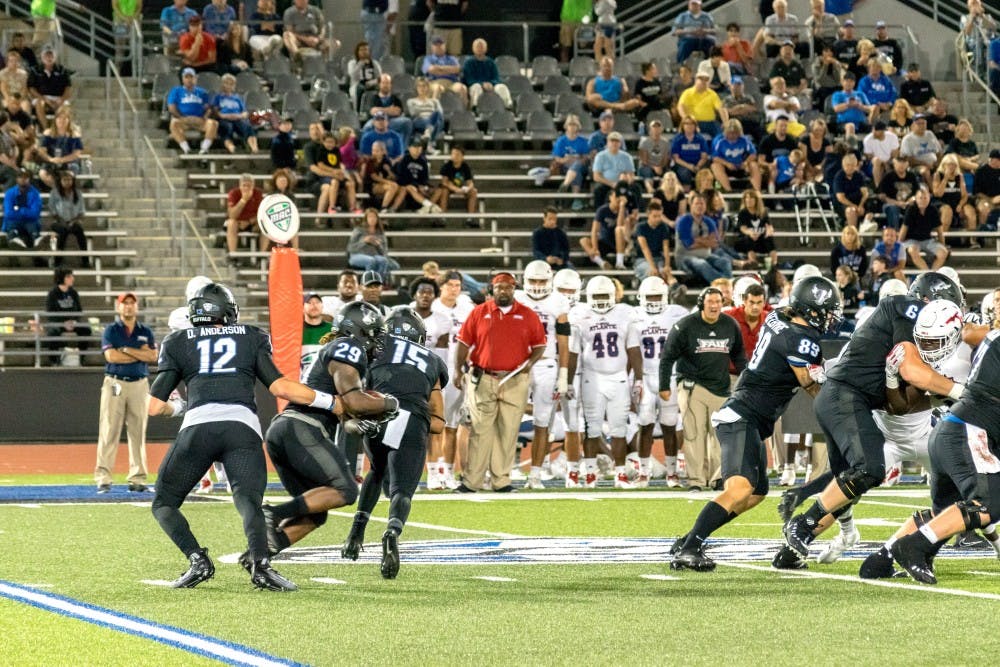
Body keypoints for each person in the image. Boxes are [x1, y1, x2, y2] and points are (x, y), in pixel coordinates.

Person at [148, 285, 358, 591]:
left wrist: (183, 406)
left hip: (198, 428)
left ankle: (197, 560)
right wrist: (331, 402)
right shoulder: (250, 336)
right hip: (241, 428)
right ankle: (261, 566)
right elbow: (281, 388)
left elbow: (154, 407)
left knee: (164, 503)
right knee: (249, 502)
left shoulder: (177, 341)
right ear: (227, 311)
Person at [781, 273, 966, 562]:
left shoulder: (919, 333)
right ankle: (803, 526)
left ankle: (791, 551)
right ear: (930, 303)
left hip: (855, 402)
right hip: (846, 397)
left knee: (848, 484)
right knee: (869, 469)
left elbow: (901, 405)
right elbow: (913, 372)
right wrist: (963, 392)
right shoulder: (907, 309)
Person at [671, 277, 838, 570]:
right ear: (811, 310)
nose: (830, 317)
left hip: (748, 415)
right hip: (742, 416)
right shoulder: (801, 339)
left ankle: (689, 539)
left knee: (757, 492)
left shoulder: (778, 318)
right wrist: (836, 398)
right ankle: (691, 546)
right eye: (826, 311)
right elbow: (809, 385)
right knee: (739, 489)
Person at [871, 314, 1000, 583]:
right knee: (988, 503)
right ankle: (913, 546)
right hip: (968, 431)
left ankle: (882, 558)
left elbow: (973, 334)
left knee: (947, 510)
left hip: (949, 429)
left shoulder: (992, 338)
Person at [339, 307, 448, 577]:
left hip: (379, 410)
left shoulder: (375, 347)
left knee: (377, 471)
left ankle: (356, 532)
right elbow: (438, 422)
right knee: (402, 490)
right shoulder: (432, 360)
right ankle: (392, 531)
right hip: (413, 417)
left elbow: (356, 389)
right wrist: (419, 426)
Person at [453, 272, 546, 493]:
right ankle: (471, 481)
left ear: (514, 289)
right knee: (480, 430)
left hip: (515, 379)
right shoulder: (479, 313)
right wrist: (457, 369)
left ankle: (501, 480)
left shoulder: (527, 314)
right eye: (499, 287)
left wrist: (528, 366)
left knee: (509, 430)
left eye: (508, 287)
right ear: (491, 290)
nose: (504, 291)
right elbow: (464, 343)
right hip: (484, 376)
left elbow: (540, 345)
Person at [659, 286, 746, 493]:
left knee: (719, 436)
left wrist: (745, 382)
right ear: (701, 304)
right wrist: (664, 385)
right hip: (692, 386)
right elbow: (667, 357)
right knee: (694, 434)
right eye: (710, 302)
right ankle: (696, 480)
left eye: (718, 302)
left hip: (721, 387)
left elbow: (739, 356)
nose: (715, 306)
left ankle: (717, 478)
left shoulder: (730, 324)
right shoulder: (686, 326)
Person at [567, 275, 641, 487]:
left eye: (603, 295)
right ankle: (590, 474)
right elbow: (573, 352)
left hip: (618, 378)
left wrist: (639, 379)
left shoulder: (625, 313)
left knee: (619, 429)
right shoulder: (580, 314)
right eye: (596, 296)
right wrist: (569, 381)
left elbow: (633, 349)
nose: (600, 300)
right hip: (592, 377)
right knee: (592, 428)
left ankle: (620, 474)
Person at [512, 261, 570, 489]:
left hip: (546, 364)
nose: (537, 286)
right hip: (518, 364)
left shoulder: (559, 301)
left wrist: (563, 373)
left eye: (541, 281)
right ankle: (500, 470)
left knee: (542, 421)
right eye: (533, 281)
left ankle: (535, 474)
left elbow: (564, 342)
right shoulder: (516, 298)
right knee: (507, 419)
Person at [95, 292, 156, 494]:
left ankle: (137, 478)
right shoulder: (111, 330)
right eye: (125, 303)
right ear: (118, 306)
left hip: (139, 383)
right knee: (109, 428)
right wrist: (139, 353)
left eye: (131, 303)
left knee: (138, 430)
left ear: (136, 306)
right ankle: (103, 477)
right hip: (116, 382)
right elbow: (111, 357)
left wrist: (127, 351)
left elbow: (153, 356)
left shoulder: (145, 331)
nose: (128, 307)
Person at [675, 192, 732, 283]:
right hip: (685, 257)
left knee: (724, 262)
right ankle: (722, 285)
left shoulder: (709, 222)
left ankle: (728, 286)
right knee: (702, 264)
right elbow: (689, 245)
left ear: (705, 206)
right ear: (691, 205)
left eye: (702, 204)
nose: (699, 206)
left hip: (706, 255)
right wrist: (706, 241)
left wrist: (697, 239)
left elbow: (715, 243)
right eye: (697, 203)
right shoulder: (684, 221)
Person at [44, 267, 91, 367]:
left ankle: (82, 358)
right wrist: (63, 323)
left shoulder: (73, 293)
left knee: (86, 330)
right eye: (69, 276)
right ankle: (54, 360)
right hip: (58, 322)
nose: (72, 279)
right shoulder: (53, 294)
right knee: (53, 332)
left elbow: (79, 310)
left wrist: (74, 321)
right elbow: (50, 313)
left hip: (73, 322)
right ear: (62, 278)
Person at [581, 182, 632, 270]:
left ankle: (619, 262)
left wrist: (622, 207)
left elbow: (620, 225)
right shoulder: (602, 210)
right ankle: (601, 262)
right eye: (616, 197)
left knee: (619, 229)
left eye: (620, 198)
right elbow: (594, 231)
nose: (618, 200)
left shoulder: (624, 210)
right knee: (583, 240)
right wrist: (595, 248)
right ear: (610, 197)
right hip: (605, 241)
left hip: (619, 242)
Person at [167, 67, 218, 155]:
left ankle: (204, 149)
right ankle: (186, 149)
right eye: (186, 77)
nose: (189, 80)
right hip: (183, 119)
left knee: (213, 124)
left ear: (195, 79)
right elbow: (171, 107)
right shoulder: (176, 91)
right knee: (173, 123)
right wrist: (181, 117)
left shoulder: (202, 92)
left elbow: (208, 108)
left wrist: (205, 117)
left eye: (191, 77)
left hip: (199, 120)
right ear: (183, 79)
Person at [900, 188, 948, 271]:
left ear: (929, 198)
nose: (923, 200)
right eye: (920, 198)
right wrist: (898, 245)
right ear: (916, 198)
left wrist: (943, 245)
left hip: (927, 240)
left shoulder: (933, 210)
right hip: (911, 240)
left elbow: (939, 230)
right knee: (913, 251)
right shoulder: (911, 209)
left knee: (943, 253)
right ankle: (927, 272)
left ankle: (933, 273)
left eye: (925, 198)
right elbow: (904, 229)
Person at [390, 136, 441, 215]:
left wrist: (424, 187)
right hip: (407, 190)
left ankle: (425, 209)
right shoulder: (403, 160)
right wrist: (417, 186)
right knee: (410, 187)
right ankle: (430, 205)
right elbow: (402, 180)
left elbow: (424, 179)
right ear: (409, 148)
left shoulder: (423, 161)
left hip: (419, 188)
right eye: (414, 147)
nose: (417, 149)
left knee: (439, 190)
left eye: (419, 147)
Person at [347, 208, 399, 283]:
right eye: (370, 217)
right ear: (366, 219)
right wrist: (364, 241)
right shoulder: (358, 230)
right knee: (371, 261)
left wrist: (378, 245)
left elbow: (384, 253)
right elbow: (350, 248)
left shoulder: (380, 233)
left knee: (383, 260)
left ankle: (378, 283)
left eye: (374, 217)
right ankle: (368, 283)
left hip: (374, 255)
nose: (372, 219)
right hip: (356, 255)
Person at [48, 170, 88, 267]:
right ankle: (58, 260)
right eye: (65, 180)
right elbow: (52, 209)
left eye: (69, 180)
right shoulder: (54, 193)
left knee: (80, 233)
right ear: (60, 181)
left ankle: (85, 260)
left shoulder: (78, 193)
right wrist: (62, 221)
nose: (67, 182)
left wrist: (73, 221)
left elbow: (81, 211)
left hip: (73, 221)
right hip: (58, 221)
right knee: (62, 231)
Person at [27, 46, 72, 131]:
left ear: (55, 57)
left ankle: (60, 130)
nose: (49, 58)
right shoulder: (35, 70)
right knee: (40, 104)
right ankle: (46, 129)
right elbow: (31, 88)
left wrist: (61, 99)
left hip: (58, 97)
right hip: (41, 97)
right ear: (42, 57)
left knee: (64, 107)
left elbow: (68, 88)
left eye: (51, 56)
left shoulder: (62, 70)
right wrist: (44, 99)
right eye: (46, 56)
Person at [360, 73, 413, 145]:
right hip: (376, 121)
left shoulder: (396, 98)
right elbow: (373, 112)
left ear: (391, 85)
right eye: (383, 83)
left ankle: (403, 151)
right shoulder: (372, 98)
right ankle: (366, 153)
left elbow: (397, 112)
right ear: (379, 84)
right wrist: (389, 110)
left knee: (407, 122)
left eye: (388, 83)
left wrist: (379, 109)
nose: (385, 85)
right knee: (367, 127)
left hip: (392, 122)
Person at [212, 73, 259, 154]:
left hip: (237, 118)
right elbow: (216, 112)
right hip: (224, 119)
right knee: (227, 127)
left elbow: (244, 112)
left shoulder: (237, 98)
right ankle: (231, 147)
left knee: (247, 126)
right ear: (222, 84)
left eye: (231, 84)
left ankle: (254, 148)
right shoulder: (218, 97)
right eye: (226, 83)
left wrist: (239, 116)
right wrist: (224, 116)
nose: (228, 86)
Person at [710, 118, 761, 192]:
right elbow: (715, 158)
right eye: (730, 133)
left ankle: (757, 191)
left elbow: (753, 154)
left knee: (754, 165)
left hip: (741, 166)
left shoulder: (744, 140)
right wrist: (727, 164)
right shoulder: (719, 140)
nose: (732, 135)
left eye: (735, 133)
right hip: (726, 167)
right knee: (715, 166)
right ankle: (728, 190)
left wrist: (746, 162)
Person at [224, 173, 265, 265]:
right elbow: (232, 215)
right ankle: (233, 256)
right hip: (237, 222)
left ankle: (262, 257)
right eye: (244, 185)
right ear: (240, 186)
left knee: (265, 224)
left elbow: (262, 213)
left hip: (252, 222)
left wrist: (249, 221)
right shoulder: (234, 193)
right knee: (231, 223)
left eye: (249, 186)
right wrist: (243, 200)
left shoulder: (258, 194)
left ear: (253, 186)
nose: (246, 188)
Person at [431, 145, 477, 222]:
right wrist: (456, 189)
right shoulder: (447, 166)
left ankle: (470, 218)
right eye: (453, 154)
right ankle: (442, 217)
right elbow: (445, 182)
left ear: (462, 157)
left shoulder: (465, 167)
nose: (454, 156)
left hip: (460, 187)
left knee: (473, 191)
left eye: (457, 154)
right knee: (444, 191)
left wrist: (468, 188)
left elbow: (470, 182)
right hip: (448, 188)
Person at [463, 38, 511, 110]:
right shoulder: (468, 63)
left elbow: (496, 77)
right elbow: (469, 79)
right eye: (477, 47)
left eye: (482, 47)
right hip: (476, 85)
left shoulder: (491, 62)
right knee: (476, 87)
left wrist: (491, 83)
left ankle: (507, 107)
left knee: (502, 87)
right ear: (473, 48)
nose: (480, 49)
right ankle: (475, 108)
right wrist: (482, 84)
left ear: (486, 48)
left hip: (490, 85)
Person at [634, 200, 676, 283]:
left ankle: (674, 288)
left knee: (666, 273)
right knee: (653, 273)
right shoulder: (641, 227)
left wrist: (667, 265)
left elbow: (665, 247)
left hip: (658, 258)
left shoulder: (663, 227)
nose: (658, 219)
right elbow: (645, 248)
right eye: (655, 216)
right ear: (648, 214)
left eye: (659, 216)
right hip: (642, 259)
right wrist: (653, 267)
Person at [591, 131, 635, 209]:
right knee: (598, 189)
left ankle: (635, 213)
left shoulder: (627, 157)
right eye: (612, 141)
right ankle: (599, 213)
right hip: (606, 183)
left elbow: (631, 175)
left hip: (622, 184)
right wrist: (612, 184)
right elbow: (596, 176)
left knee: (636, 188)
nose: (614, 143)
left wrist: (627, 180)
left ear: (620, 143)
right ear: (607, 143)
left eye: (617, 141)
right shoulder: (600, 156)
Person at [2, 169, 44, 249]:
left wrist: (19, 210)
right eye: (20, 177)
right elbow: (8, 213)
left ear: (29, 179)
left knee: (32, 224)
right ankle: (14, 240)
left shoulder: (35, 193)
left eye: (25, 177)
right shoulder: (10, 193)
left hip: (30, 223)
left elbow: (35, 214)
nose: (23, 179)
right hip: (14, 222)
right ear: (17, 179)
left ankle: (37, 241)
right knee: (11, 223)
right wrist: (26, 211)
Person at [677, 71, 728, 137]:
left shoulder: (712, 94)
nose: (704, 82)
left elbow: (721, 108)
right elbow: (680, 107)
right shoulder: (687, 93)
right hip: (694, 122)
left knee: (721, 135)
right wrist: (686, 119)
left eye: (706, 80)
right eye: (701, 79)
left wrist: (726, 122)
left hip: (710, 123)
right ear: (695, 80)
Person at [734, 190, 776, 269]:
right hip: (746, 242)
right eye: (747, 198)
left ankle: (774, 264)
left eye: (751, 198)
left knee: (769, 238)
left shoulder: (763, 212)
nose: (748, 200)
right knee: (748, 238)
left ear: (757, 200)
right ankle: (753, 263)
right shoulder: (743, 213)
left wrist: (769, 232)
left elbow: (769, 226)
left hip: (761, 242)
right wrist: (750, 233)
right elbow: (743, 228)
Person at [422, 35, 467, 106]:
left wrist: (439, 69)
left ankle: (463, 113)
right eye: (436, 45)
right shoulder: (428, 59)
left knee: (462, 88)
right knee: (437, 88)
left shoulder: (452, 58)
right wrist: (448, 70)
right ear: (432, 47)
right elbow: (431, 70)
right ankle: (433, 112)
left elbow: (457, 69)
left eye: (441, 45)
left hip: (451, 82)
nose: (438, 47)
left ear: (445, 46)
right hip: (435, 82)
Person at [877, 155, 920, 229]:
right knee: (892, 209)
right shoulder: (888, 177)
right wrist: (897, 203)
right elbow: (882, 196)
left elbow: (918, 193)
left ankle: (913, 234)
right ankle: (894, 233)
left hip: (908, 204)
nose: (902, 165)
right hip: (891, 204)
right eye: (899, 162)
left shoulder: (912, 176)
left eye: (904, 162)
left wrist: (912, 199)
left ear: (907, 164)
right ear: (894, 164)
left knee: (915, 208)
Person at [899, 113, 942, 183]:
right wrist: (925, 164)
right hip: (916, 167)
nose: (922, 126)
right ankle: (935, 192)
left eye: (923, 123)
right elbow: (908, 160)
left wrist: (938, 163)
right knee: (925, 171)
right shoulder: (908, 139)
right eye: (918, 124)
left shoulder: (930, 134)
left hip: (933, 164)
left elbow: (939, 152)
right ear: (912, 126)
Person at [669, 117, 710, 189]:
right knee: (684, 172)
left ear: (695, 126)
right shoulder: (677, 139)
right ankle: (686, 190)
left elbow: (704, 156)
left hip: (699, 163)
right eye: (687, 123)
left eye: (692, 123)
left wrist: (698, 166)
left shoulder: (700, 139)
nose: (689, 126)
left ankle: (703, 190)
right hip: (683, 164)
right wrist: (689, 166)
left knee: (704, 172)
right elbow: (676, 158)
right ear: (683, 126)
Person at [832, 153, 869, 227]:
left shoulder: (859, 175)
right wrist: (854, 206)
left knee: (870, 209)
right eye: (848, 165)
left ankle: (866, 226)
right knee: (851, 211)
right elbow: (841, 198)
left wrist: (861, 205)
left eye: (852, 165)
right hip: (844, 204)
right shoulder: (839, 177)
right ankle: (853, 233)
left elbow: (865, 193)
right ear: (843, 165)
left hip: (858, 201)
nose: (850, 167)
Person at [360, 140, 399, 211]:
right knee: (393, 186)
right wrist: (388, 182)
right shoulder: (370, 161)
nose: (374, 153)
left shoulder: (386, 161)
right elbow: (374, 177)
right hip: (371, 185)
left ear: (383, 151)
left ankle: (393, 208)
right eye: (373, 150)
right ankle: (384, 208)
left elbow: (393, 177)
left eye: (377, 151)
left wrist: (389, 171)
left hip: (383, 184)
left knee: (401, 188)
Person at [406, 77, 444, 150]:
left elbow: (440, 114)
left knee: (437, 115)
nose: (422, 88)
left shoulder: (435, 101)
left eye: (424, 86)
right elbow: (413, 113)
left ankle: (428, 133)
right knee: (434, 122)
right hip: (419, 120)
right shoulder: (411, 101)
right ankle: (431, 141)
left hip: (434, 119)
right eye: (419, 86)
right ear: (416, 88)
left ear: (428, 88)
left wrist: (431, 117)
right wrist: (429, 119)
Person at [864, 121, 901, 187]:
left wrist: (887, 163)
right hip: (874, 163)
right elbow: (869, 157)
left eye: (876, 131)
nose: (874, 132)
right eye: (873, 130)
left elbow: (895, 155)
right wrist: (883, 163)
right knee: (877, 161)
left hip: (890, 161)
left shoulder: (892, 137)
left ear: (883, 131)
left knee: (897, 161)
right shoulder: (868, 139)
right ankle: (878, 187)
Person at [348, 40, 381, 110]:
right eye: (361, 50)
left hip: (371, 85)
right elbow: (352, 75)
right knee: (359, 88)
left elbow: (380, 78)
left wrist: (371, 83)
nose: (364, 52)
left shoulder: (374, 63)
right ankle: (357, 110)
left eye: (366, 49)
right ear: (357, 52)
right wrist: (361, 64)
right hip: (357, 85)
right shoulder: (352, 63)